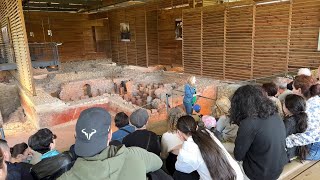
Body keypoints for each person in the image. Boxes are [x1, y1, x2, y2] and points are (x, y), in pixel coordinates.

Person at [58, 107, 162, 180]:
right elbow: (159, 162)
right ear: (110, 135)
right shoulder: (136, 154)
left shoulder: (65, 177)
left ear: (76, 136)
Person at [231, 85, 288, 180]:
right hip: (277, 169)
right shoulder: (275, 114)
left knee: (223, 149)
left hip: (258, 174)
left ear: (240, 104)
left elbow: (238, 155)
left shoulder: (248, 123)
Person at [174, 115, 243, 180]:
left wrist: (182, 147)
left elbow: (179, 167)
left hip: (223, 176)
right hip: (236, 174)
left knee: (178, 174)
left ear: (179, 132)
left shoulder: (187, 151)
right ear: (196, 127)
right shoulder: (206, 132)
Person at [286, 75, 320, 160]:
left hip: (313, 150)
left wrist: (285, 141)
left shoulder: (306, 109)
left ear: (299, 90)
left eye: (293, 88)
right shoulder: (316, 100)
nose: (292, 91)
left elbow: (312, 135)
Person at [283, 94, 308, 161]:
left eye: (283, 103)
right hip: (298, 151)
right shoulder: (303, 117)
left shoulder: (288, 122)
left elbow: (280, 139)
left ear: (288, 107)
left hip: (289, 154)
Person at [160, 107, 184, 175]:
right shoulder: (187, 132)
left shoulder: (166, 136)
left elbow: (164, 155)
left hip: (173, 165)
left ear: (169, 120)